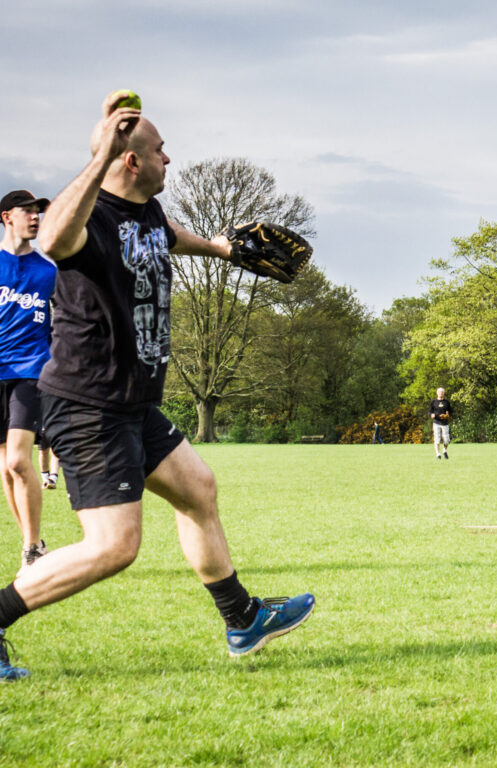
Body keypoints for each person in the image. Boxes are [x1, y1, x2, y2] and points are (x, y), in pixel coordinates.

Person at [0, 92, 314, 682]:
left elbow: (166, 234)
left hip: (133, 403)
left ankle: (242, 618)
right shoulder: (86, 220)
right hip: (88, 406)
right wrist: (99, 156)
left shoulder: (143, 213)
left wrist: (221, 249)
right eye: (160, 150)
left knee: (198, 487)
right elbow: (51, 242)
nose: (170, 158)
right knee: (113, 547)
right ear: (131, 161)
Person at [0, 190, 56, 573]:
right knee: (6, 468)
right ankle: (32, 545)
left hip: (30, 370)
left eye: (39, 212)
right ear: (7, 217)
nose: (35, 217)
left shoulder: (49, 270)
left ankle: (32, 548)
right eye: (28, 211)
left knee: (20, 460)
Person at [429, 387, 452, 460]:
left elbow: (450, 412)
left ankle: (444, 451)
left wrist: (447, 416)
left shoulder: (446, 402)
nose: (441, 393)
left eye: (442, 392)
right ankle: (438, 454)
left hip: (445, 423)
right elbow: (430, 411)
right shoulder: (433, 402)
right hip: (436, 423)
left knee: (446, 439)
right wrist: (431, 415)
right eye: (439, 392)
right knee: (437, 439)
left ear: (444, 393)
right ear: (437, 393)